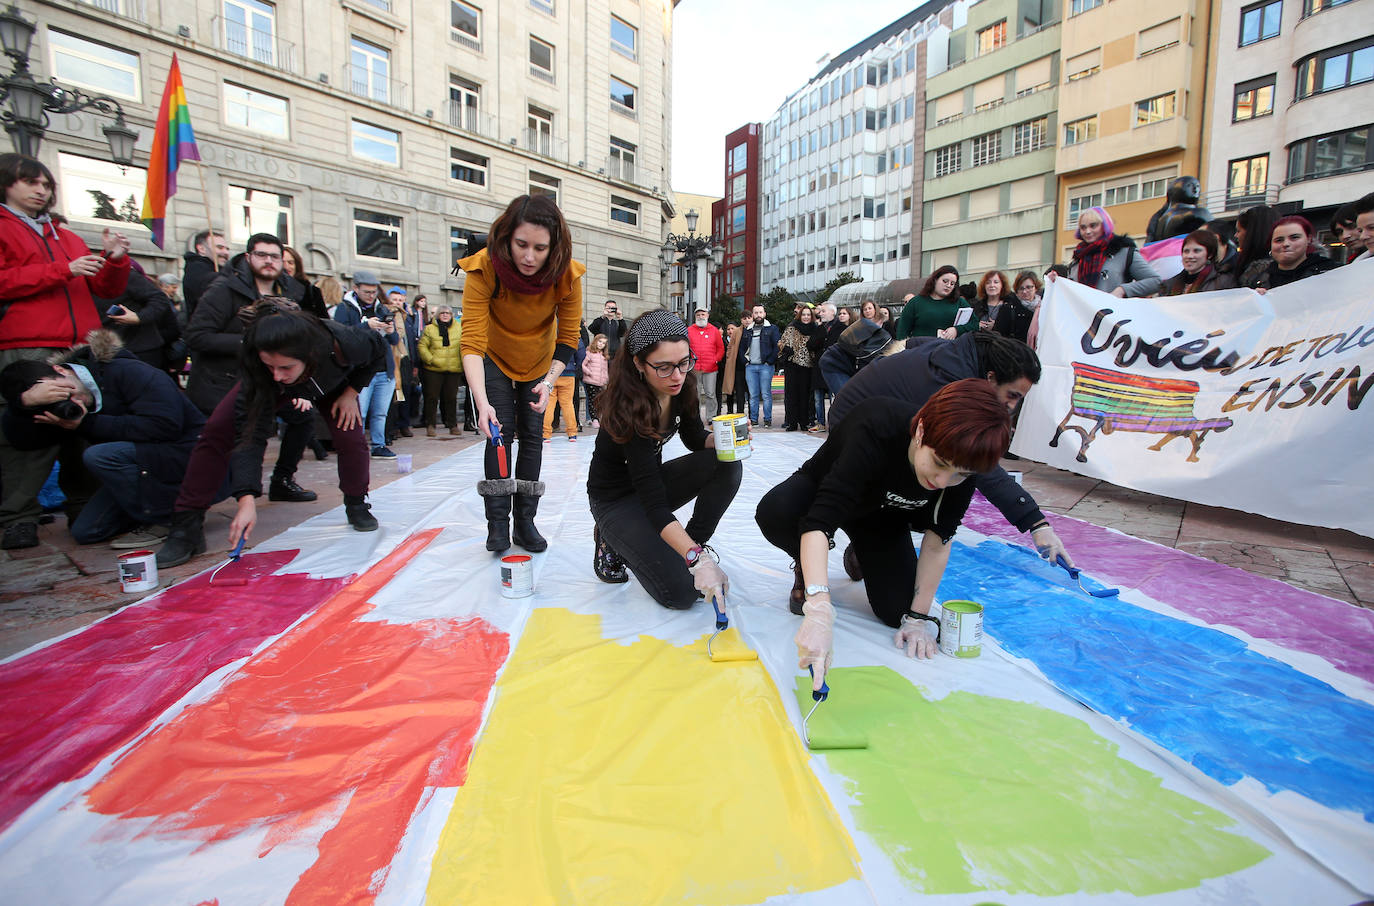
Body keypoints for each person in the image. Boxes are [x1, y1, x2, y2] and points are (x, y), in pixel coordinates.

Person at [755, 379, 1012, 689]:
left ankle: (861, 551)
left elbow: (938, 540)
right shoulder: (876, 426)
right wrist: (819, 607)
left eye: (960, 474)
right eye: (939, 463)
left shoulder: (964, 462)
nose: (943, 481)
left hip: (883, 518)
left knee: (896, 610)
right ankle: (806, 565)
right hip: (824, 496)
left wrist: (917, 618)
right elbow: (818, 522)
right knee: (776, 511)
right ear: (921, 431)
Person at [157, 301, 386, 567]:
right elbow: (251, 432)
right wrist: (246, 499)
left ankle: (357, 504)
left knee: (351, 438)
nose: (277, 375)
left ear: (309, 355)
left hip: (332, 384)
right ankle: (186, 524)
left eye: (285, 367)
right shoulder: (262, 369)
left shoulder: (346, 342)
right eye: (270, 366)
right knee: (217, 431)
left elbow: (379, 350)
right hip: (268, 389)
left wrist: (352, 392)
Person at [826, 329, 1073, 575]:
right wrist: (1034, 522)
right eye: (1012, 396)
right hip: (852, 430)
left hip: (877, 419)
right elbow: (980, 466)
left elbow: (913, 342)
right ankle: (858, 542)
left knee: (939, 481)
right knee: (920, 481)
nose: (1012, 406)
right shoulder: (949, 383)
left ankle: (877, 537)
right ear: (990, 377)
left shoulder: (959, 353)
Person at [0, 152, 132, 550]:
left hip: (78, 346)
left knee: (82, 426)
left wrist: (116, 261)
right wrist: (64, 270)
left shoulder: (65, 235)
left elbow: (105, 289)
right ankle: (17, 516)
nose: (41, 190)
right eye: (30, 182)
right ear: (7, 183)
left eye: (46, 185)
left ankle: (84, 505)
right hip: (28, 344)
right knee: (31, 429)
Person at [586, 310, 740, 608]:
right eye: (665, 367)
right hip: (616, 500)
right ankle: (610, 536)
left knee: (727, 462)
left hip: (650, 484)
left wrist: (723, 439)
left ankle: (691, 545)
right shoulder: (627, 409)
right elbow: (655, 507)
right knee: (680, 594)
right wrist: (699, 562)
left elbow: (695, 438)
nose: (678, 376)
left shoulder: (683, 386)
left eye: (684, 363)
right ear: (639, 364)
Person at [458, 194, 585, 553]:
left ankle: (525, 523)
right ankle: (497, 524)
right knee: (499, 433)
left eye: (540, 248)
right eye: (521, 245)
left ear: (554, 247)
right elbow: (471, 343)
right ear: (506, 238)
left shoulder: (566, 274)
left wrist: (548, 381)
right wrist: (481, 403)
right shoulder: (483, 267)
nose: (530, 257)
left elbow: (568, 339)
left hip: (540, 362)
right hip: (494, 356)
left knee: (532, 435)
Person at [0, 329, 204, 547]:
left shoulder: (129, 371)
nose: (71, 401)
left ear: (59, 370)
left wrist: (87, 423)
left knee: (99, 455)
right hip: (144, 466)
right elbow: (22, 442)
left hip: (189, 457)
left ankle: (172, 517)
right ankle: (146, 510)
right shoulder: (62, 408)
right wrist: (23, 406)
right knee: (87, 531)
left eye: (63, 392)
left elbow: (165, 427)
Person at [184, 232, 319, 504]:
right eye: (262, 255)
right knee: (222, 440)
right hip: (226, 380)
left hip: (276, 379)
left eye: (274, 256)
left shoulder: (293, 290)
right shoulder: (223, 289)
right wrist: (251, 342)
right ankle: (191, 511)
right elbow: (196, 336)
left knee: (304, 417)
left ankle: (282, 479)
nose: (269, 261)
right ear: (248, 257)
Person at [332, 270, 401, 459]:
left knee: (380, 413)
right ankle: (356, 446)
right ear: (356, 288)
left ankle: (378, 445)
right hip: (360, 371)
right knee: (358, 412)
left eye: (374, 292)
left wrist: (390, 329)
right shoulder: (345, 308)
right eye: (367, 292)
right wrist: (365, 326)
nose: (371, 296)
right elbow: (340, 336)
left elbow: (394, 340)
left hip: (383, 369)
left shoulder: (382, 309)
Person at [99, 269, 181, 371]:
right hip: (104, 351)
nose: (174, 290)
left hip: (139, 351)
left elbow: (160, 300)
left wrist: (139, 317)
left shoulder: (123, 276)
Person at [1241, 215, 1339, 292]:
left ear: (1308, 239)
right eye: (1279, 240)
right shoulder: (1255, 279)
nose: (1286, 244)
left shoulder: (1331, 272)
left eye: (1294, 237)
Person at [418, 305, 463, 435]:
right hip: (433, 369)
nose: (445, 315)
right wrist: (430, 359)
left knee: (451, 398)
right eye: (442, 313)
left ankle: (452, 425)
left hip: (453, 368)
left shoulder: (459, 328)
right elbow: (422, 346)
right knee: (431, 397)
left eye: (448, 313)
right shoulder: (430, 329)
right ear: (438, 315)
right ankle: (430, 425)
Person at [896, 265, 975, 340]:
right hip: (921, 350)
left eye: (952, 283)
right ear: (935, 280)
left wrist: (957, 330)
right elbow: (902, 332)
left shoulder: (960, 302)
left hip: (951, 350)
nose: (948, 285)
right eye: (945, 281)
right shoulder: (915, 302)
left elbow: (974, 324)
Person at [778, 304, 819, 431]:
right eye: (803, 314)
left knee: (805, 395)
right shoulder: (792, 327)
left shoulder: (815, 329)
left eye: (808, 315)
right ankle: (791, 422)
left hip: (808, 366)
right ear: (799, 315)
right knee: (791, 395)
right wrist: (785, 348)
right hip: (792, 365)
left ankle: (805, 422)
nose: (806, 317)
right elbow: (781, 342)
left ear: (811, 316)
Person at [1165, 230, 1238, 295]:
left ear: (1210, 254)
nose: (1189, 256)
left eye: (1197, 251)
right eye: (1186, 251)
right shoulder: (1169, 284)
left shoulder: (1223, 281)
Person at [542, 330, 583, 443]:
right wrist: (575, 366)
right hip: (568, 372)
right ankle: (572, 433)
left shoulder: (548, 327)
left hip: (550, 372)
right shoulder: (572, 329)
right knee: (567, 404)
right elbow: (581, 352)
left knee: (549, 404)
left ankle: (546, 434)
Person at [808, 302, 844, 432]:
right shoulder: (820, 328)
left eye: (823, 311)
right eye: (820, 311)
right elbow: (810, 344)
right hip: (819, 366)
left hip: (834, 366)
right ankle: (821, 423)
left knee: (834, 397)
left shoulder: (840, 328)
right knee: (818, 397)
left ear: (832, 313)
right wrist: (822, 335)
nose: (820, 313)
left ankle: (835, 422)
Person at [687, 306, 724, 424]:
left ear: (707, 316)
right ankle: (695, 417)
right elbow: (684, 347)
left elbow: (720, 348)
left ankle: (711, 417)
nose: (700, 317)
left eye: (703, 314)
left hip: (711, 368)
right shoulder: (689, 330)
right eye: (698, 315)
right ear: (695, 317)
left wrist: (716, 360)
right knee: (694, 394)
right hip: (694, 368)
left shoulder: (714, 331)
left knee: (710, 393)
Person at [182, 229, 230, 317]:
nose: (226, 252)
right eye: (219, 247)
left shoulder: (222, 269)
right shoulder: (195, 268)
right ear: (201, 249)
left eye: (227, 249)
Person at [281, 245, 328, 319]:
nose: (286, 267)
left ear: (297, 265)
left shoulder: (312, 291)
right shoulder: (269, 289)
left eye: (290, 263)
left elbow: (324, 321)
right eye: (282, 262)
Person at [993, 272, 1039, 342]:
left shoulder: (1044, 307)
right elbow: (999, 337)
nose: (1024, 291)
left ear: (1036, 287)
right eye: (1021, 288)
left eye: (1029, 287)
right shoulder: (1007, 309)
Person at [582, 333, 610, 428]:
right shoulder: (589, 352)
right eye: (600, 341)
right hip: (591, 381)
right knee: (592, 400)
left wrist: (606, 379)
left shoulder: (604, 356)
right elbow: (583, 365)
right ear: (595, 341)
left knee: (600, 401)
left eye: (604, 343)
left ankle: (599, 417)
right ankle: (595, 419)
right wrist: (589, 372)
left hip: (600, 382)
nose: (601, 344)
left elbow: (605, 370)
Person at [720, 315, 745, 415]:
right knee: (729, 391)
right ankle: (729, 411)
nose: (730, 331)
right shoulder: (723, 341)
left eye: (732, 328)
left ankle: (740, 411)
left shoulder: (741, 338)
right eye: (728, 329)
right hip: (727, 369)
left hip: (739, 368)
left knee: (740, 391)